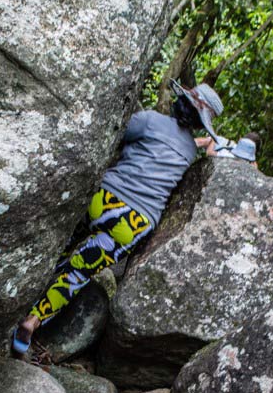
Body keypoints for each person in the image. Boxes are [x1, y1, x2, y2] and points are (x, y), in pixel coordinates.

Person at [12, 80, 224, 355]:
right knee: (79, 271)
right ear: (199, 123)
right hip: (135, 222)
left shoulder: (150, 120)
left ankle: (19, 294)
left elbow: (116, 135)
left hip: (104, 199)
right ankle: (32, 321)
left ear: (180, 102)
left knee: (60, 244)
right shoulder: (189, 151)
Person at [195, 131, 261, 168]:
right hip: (228, 147)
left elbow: (209, 153)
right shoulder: (252, 163)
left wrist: (212, 140)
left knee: (208, 140)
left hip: (224, 147)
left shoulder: (228, 153)